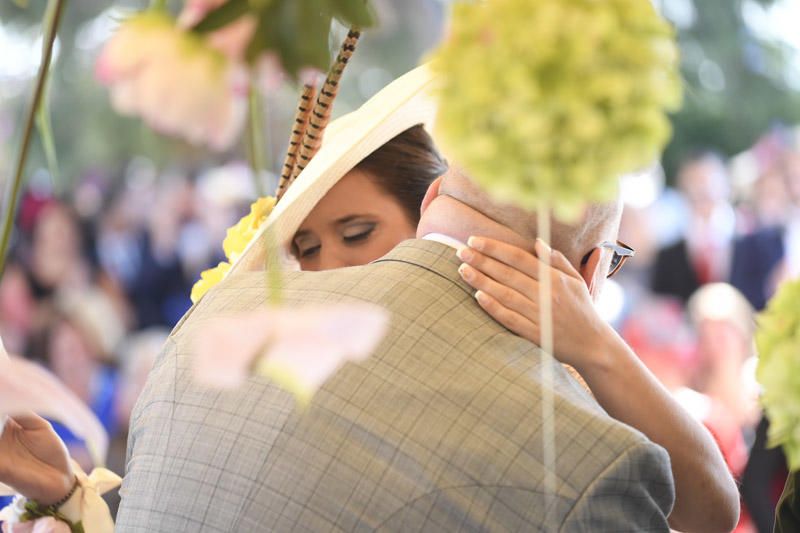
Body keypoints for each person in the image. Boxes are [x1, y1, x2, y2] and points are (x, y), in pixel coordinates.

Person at [1, 65, 738, 531]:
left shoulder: (201, 330)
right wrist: (75, 499)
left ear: (432, 200)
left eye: (356, 233)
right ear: (586, 266)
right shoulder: (582, 459)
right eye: (306, 248)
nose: (330, 274)